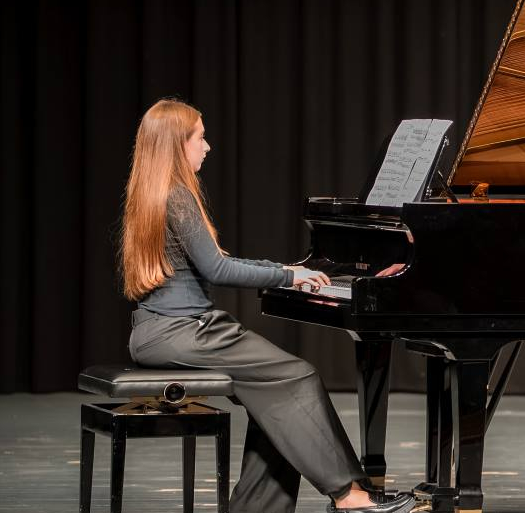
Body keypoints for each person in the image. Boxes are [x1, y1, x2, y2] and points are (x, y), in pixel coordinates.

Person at [119, 98, 415, 513]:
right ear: (176, 145)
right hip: (184, 332)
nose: (208, 147)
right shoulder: (178, 197)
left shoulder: (151, 194)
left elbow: (216, 263)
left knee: (272, 399)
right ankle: (350, 496)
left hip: (162, 330)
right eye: (200, 138)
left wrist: (281, 268)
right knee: (299, 376)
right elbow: (218, 269)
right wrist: (287, 276)